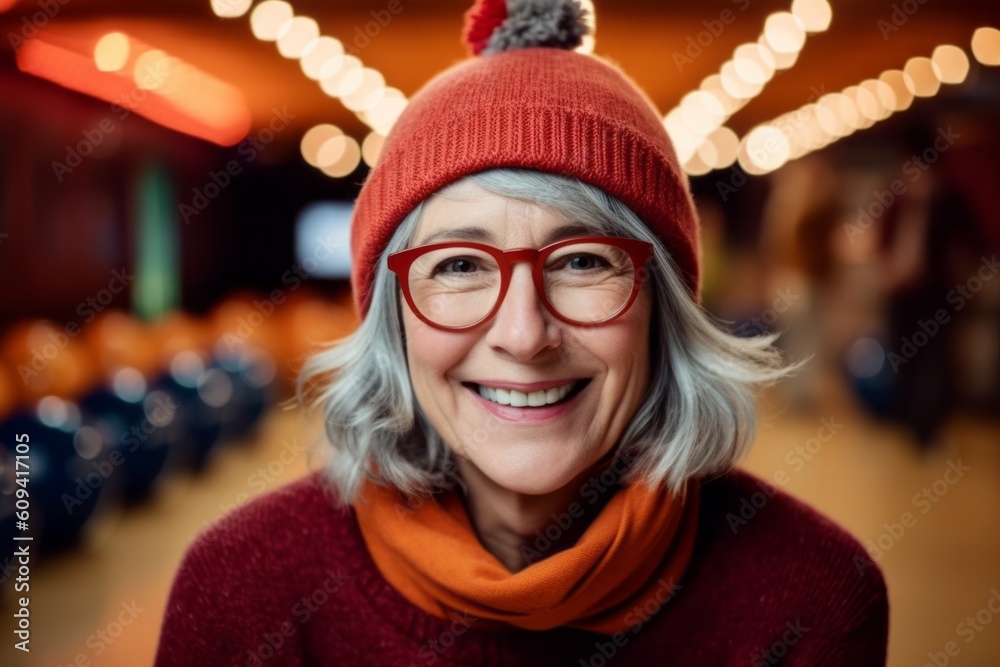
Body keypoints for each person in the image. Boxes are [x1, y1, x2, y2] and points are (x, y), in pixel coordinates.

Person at [155, 1, 889, 664]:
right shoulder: (243, 591)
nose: (524, 333)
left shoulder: (811, 596)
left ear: (663, 307)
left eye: (582, 261)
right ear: (391, 319)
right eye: (459, 265)